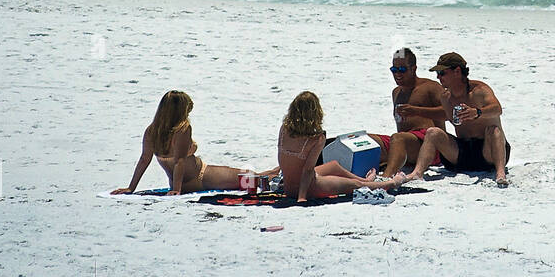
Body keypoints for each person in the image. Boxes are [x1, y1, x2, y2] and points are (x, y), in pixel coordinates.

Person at [112, 90, 276, 196]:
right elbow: (180, 161)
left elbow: (144, 160)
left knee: (253, 176)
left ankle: (276, 171)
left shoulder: (151, 131)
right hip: (203, 176)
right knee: (250, 177)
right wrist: (176, 190)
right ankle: (278, 174)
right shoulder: (182, 128)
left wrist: (131, 187)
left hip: (182, 182)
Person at [401, 53, 511, 187]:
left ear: (457, 71)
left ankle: (500, 174)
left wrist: (476, 112)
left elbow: (497, 109)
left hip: (488, 152)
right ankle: (417, 173)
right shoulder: (446, 97)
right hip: (463, 151)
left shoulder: (479, 90)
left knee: (494, 130)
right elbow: (446, 114)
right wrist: (416, 110)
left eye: (442, 73)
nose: (438, 77)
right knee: (432, 132)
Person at [279, 90, 402, 202]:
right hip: (308, 187)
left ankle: (366, 180)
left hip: (289, 187)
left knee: (334, 166)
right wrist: (302, 197)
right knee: (355, 185)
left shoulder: (284, 130)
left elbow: (282, 159)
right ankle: (392, 182)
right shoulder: (317, 138)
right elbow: (307, 170)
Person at [367, 47, 447, 178]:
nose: (397, 74)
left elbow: (448, 113)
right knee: (367, 140)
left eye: (402, 70)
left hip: (430, 145)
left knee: (398, 138)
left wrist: (416, 111)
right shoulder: (396, 92)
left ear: (414, 69)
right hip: (403, 143)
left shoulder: (430, 87)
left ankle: (386, 179)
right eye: (394, 70)